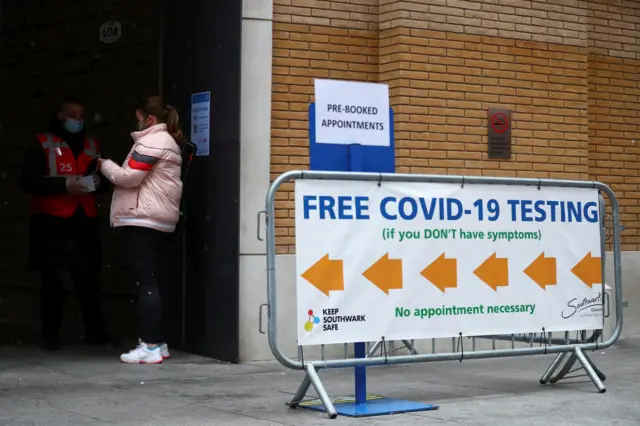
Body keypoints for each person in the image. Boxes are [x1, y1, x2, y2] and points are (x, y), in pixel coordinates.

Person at [20, 96, 115, 350]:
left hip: (84, 219)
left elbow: (106, 179)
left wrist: (95, 183)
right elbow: (29, 182)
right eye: (73, 115)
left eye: (81, 115)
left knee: (89, 280)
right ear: (60, 116)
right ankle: (50, 335)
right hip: (51, 220)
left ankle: (96, 332)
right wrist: (63, 185)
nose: (78, 120)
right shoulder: (42, 143)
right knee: (52, 281)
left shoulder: (93, 145)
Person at [98, 96, 184, 364]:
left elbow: (129, 177)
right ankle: (159, 343)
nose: (135, 121)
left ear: (149, 119)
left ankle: (149, 346)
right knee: (156, 282)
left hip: (143, 220)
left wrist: (104, 165)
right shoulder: (166, 141)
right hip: (158, 220)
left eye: (138, 116)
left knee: (146, 283)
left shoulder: (151, 141)